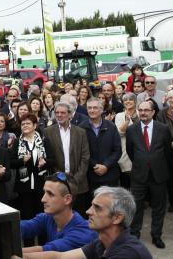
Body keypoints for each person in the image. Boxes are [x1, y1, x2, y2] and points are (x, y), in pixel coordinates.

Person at [16, 186, 153, 259]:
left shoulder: (127, 253)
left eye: (97, 208)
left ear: (117, 218)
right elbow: (60, 256)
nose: (88, 211)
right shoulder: (101, 243)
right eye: (91, 205)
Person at [124, 99, 171, 248]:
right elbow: (130, 151)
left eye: (146, 110)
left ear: (153, 112)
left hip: (159, 175)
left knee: (159, 207)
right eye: (141, 110)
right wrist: (142, 162)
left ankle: (156, 236)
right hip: (139, 174)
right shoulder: (132, 130)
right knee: (136, 207)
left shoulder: (163, 128)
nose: (143, 113)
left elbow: (168, 152)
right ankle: (134, 235)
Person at [19, 174, 97, 255]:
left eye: (50, 194)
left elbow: (48, 252)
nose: (43, 199)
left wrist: (9, 253)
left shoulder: (82, 232)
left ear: (67, 199)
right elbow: (23, 227)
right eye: (44, 192)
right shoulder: (48, 217)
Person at [43, 103, 91, 210]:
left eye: (63, 112)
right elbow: (49, 157)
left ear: (70, 115)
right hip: (57, 183)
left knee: (79, 215)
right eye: (57, 113)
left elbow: (85, 157)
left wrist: (75, 179)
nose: (59, 115)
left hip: (79, 183)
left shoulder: (80, 132)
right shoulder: (48, 132)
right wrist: (60, 177)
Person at [79, 98, 121, 200]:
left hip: (110, 175)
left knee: (110, 206)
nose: (92, 110)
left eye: (95, 108)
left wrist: (106, 165)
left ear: (102, 110)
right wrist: (94, 165)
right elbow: (80, 152)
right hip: (90, 176)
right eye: (89, 108)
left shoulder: (111, 127)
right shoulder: (81, 128)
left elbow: (117, 151)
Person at [12, 114, 49, 222]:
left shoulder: (43, 141)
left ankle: (43, 239)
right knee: (27, 218)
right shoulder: (17, 142)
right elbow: (11, 163)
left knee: (42, 217)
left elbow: (53, 160)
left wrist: (44, 162)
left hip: (41, 185)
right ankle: (29, 239)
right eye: (23, 124)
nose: (25, 126)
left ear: (35, 125)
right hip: (24, 187)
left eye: (28, 123)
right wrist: (22, 161)